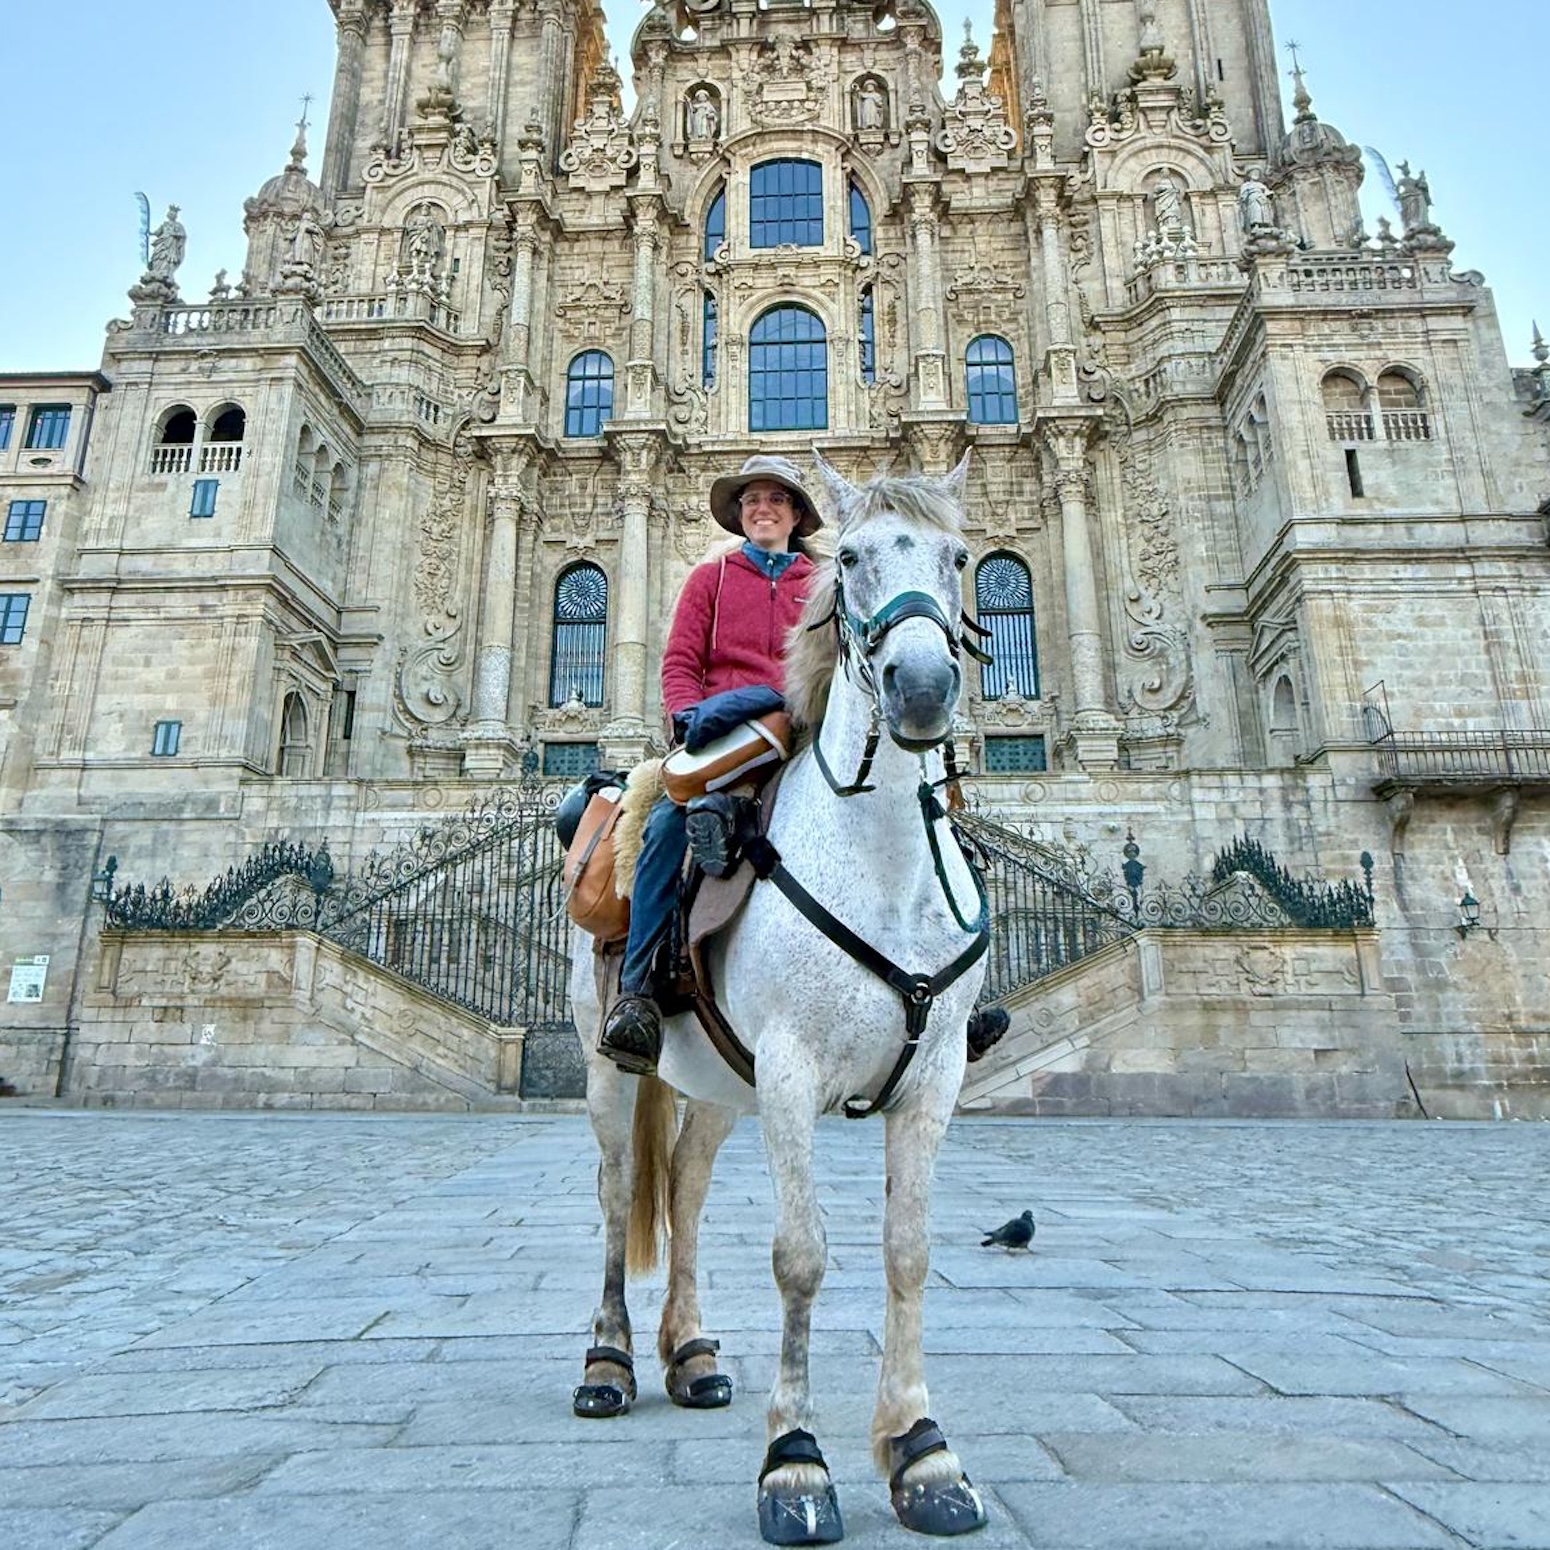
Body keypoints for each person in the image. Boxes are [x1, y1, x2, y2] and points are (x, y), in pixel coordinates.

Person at [598, 455, 822, 1075]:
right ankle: (638, 992)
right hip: (721, 740)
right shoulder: (711, 579)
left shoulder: (822, 584)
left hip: (802, 734)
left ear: (796, 515)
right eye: (751, 500)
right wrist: (687, 716)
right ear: (739, 515)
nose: (762, 509)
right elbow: (679, 663)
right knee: (663, 828)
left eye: (775, 499)